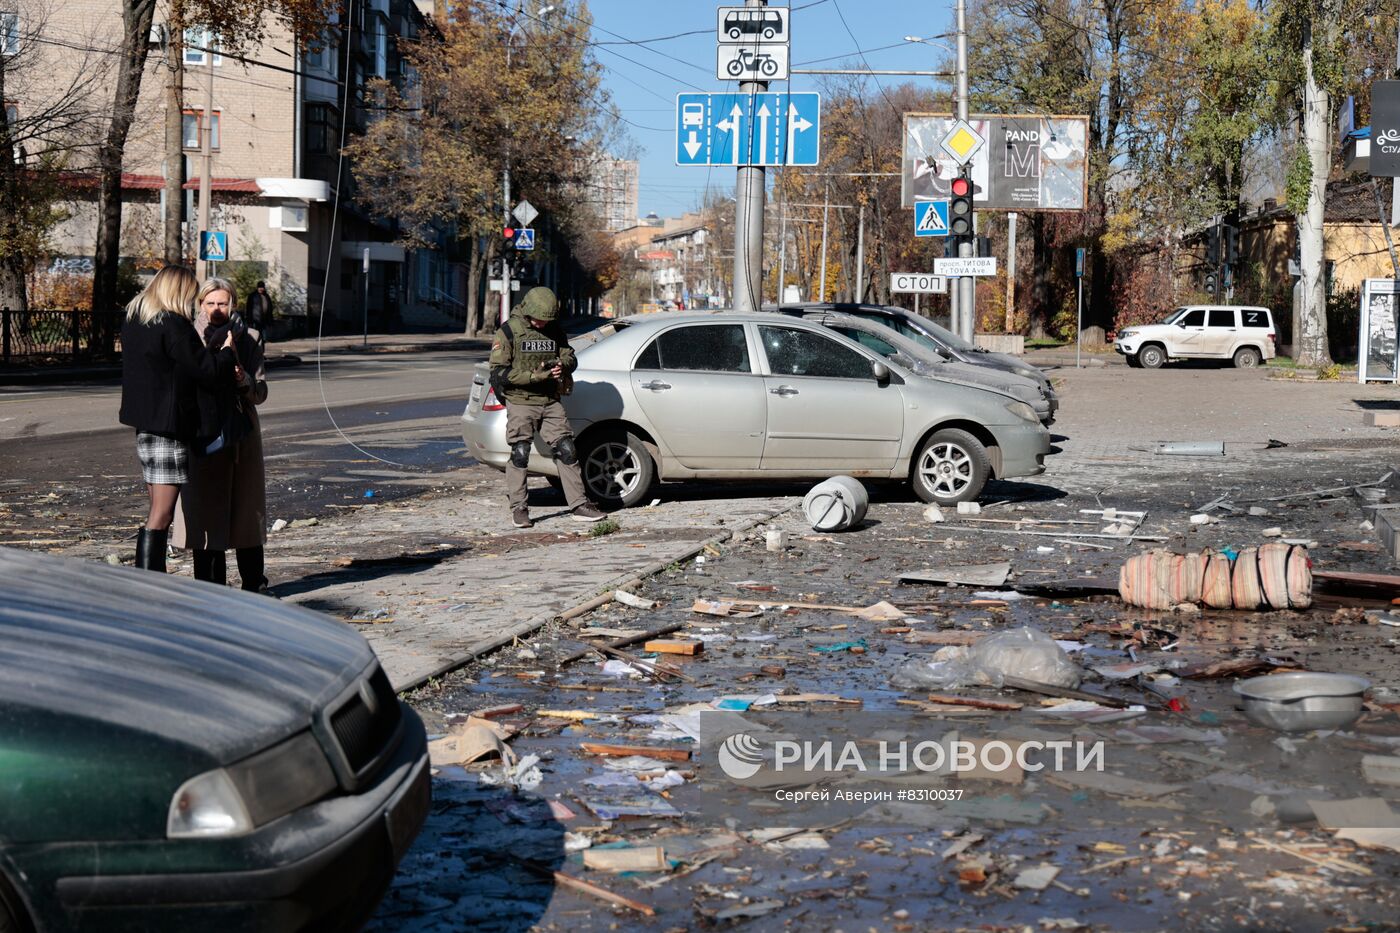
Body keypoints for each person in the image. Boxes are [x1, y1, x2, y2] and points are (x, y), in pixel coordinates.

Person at [118, 266, 237, 572]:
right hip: (168, 427)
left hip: (145, 423)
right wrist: (225, 354)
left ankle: (150, 580)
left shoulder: (136, 320)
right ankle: (150, 583)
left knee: (157, 507)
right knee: (162, 512)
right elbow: (205, 370)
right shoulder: (173, 324)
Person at [173, 278, 271, 592]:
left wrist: (243, 380)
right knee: (206, 513)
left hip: (241, 434)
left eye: (223, 303)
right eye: (211, 303)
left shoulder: (251, 338)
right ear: (200, 304)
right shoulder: (188, 337)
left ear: (233, 305)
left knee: (246, 512)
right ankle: (210, 590)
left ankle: (253, 586)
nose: (217, 309)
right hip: (204, 432)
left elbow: (260, 392)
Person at [488, 286, 606, 528]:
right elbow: (498, 372)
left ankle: (578, 505)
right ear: (529, 312)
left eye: (546, 321)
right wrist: (533, 377)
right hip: (521, 401)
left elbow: (570, 355)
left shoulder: (553, 329)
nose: (543, 325)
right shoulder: (508, 331)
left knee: (567, 449)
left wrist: (563, 365)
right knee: (520, 453)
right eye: (539, 320)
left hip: (550, 401)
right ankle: (519, 508)